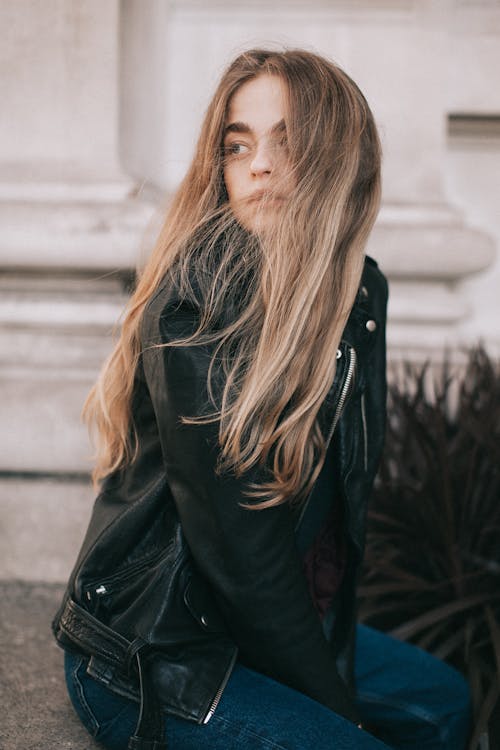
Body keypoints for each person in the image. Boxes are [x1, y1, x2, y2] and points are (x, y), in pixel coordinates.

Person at [53, 48, 471, 750]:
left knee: (445, 701)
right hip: (157, 648)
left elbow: (336, 514)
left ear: (342, 157)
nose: (260, 165)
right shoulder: (195, 303)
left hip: (257, 617)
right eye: (237, 144)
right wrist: (340, 709)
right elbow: (240, 553)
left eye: (288, 140)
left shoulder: (357, 292)